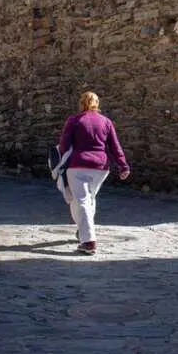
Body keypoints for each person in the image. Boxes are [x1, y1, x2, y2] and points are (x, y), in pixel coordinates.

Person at [58, 91, 130, 255]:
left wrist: (61, 161)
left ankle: (89, 241)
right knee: (88, 198)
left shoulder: (74, 120)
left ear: (81, 103)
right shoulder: (106, 122)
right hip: (100, 167)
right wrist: (123, 165)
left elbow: (64, 145)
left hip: (78, 165)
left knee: (81, 199)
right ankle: (83, 230)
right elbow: (115, 146)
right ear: (97, 103)